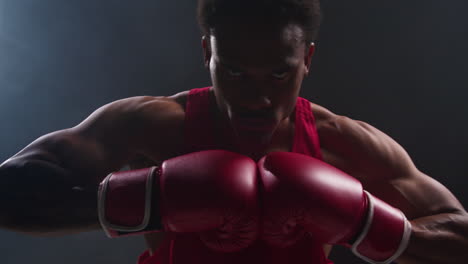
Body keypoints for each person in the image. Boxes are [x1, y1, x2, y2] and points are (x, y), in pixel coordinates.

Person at [0, 0, 467, 263]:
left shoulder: (342, 142)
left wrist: (365, 222)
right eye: (236, 73)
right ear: (208, 53)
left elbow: (459, 235)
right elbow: (9, 193)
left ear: (306, 60)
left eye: (279, 75)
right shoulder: (154, 125)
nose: (257, 98)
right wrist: (154, 201)